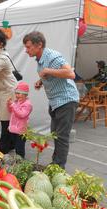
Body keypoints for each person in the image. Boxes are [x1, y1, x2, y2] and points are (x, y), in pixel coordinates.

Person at [22, 31, 79, 169]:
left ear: (39, 45)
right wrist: (40, 81)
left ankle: (59, 168)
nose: (26, 50)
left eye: (28, 47)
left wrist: (47, 71)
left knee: (62, 137)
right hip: (55, 102)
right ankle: (55, 163)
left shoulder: (52, 56)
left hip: (66, 100)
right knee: (55, 135)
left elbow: (70, 74)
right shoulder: (40, 59)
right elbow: (49, 74)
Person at [7, 81, 33, 158]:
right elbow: (11, 112)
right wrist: (9, 105)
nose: (17, 95)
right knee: (15, 146)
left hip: (21, 131)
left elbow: (22, 115)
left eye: (19, 93)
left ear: (25, 94)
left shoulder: (27, 104)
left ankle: (21, 161)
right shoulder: (17, 102)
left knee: (20, 148)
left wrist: (13, 105)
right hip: (14, 129)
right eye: (16, 93)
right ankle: (17, 159)